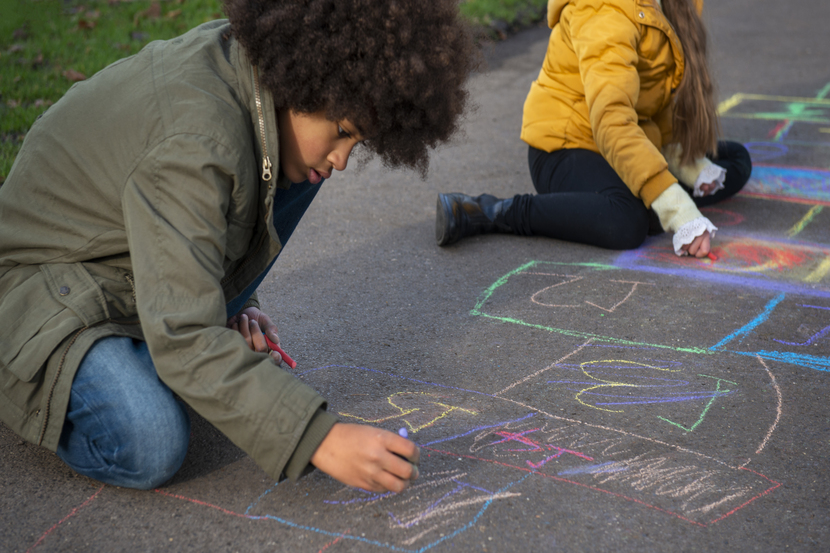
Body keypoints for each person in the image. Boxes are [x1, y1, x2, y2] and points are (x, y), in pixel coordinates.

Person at [0, 0, 476, 492]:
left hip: (116, 270)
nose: (343, 160)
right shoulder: (197, 142)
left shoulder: (260, 94)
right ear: (304, 82)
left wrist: (238, 301)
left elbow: (204, 224)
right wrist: (319, 438)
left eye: (358, 143)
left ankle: (163, 345)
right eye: (343, 134)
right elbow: (184, 334)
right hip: (36, 289)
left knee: (304, 174)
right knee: (151, 439)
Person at [436, 0, 752, 257]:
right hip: (567, 147)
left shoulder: (669, 3)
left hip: (629, 144)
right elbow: (611, 121)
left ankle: (646, 199)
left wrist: (683, 159)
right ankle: (494, 211)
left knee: (735, 161)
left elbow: (658, 95)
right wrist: (679, 211)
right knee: (626, 224)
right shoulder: (603, 9)